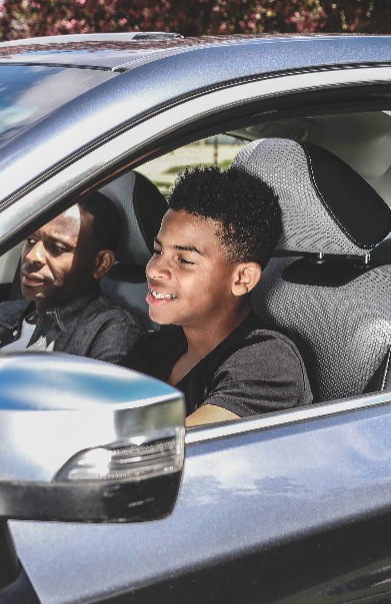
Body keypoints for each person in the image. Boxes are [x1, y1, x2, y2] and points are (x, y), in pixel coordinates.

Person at [0, 193, 140, 404]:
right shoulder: (1, 315)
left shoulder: (111, 327)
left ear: (100, 264)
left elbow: (96, 413)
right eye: (30, 239)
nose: (32, 256)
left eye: (56, 248)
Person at [124, 166, 312, 426]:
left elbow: (166, 453)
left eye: (184, 260)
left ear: (241, 279)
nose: (154, 269)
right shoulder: (154, 348)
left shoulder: (268, 363)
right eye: (158, 251)